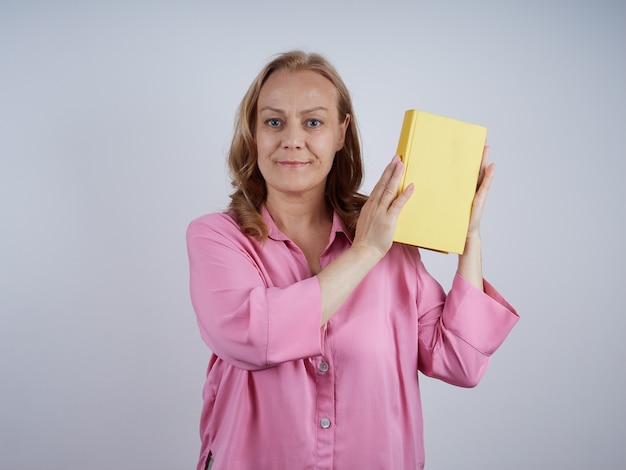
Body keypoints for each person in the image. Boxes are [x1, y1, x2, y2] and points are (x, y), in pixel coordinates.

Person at [186, 50, 518, 470]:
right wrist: (365, 252)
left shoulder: (390, 238)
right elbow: (253, 336)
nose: (292, 139)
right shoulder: (217, 237)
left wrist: (468, 236)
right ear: (253, 131)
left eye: (313, 122)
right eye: (273, 121)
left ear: (341, 133)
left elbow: (461, 361)